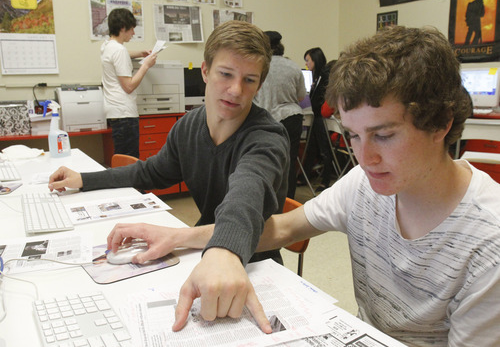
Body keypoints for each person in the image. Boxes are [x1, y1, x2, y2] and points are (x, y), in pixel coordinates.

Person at [150, 26, 500, 345]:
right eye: (353, 136)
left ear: (439, 124)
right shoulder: (363, 185)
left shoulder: (488, 245)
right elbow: (283, 228)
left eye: (384, 135)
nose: (365, 158)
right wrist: (182, 239)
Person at [48, 20, 289, 333]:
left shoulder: (267, 137)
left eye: (249, 80)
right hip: (204, 256)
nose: (235, 90)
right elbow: (149, 172)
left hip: (252, 265)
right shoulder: (189, 127)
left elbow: (245, 196)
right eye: (226, 74)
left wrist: (223, 252)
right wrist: (85, 178)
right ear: (205, 71)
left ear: (259, 85)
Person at [253, 30, 306, 198]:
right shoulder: (293, 66)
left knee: (265, 160)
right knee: (289, 162)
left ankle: (266, 198)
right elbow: (301, 96)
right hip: (292, 118)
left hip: (267, 119)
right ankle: (287, 200)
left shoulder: (259, 66)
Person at [101, 8, 157, 158]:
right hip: (124, 112)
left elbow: (118, 54)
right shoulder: (119, 51)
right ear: (122, 28)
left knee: (121, 157)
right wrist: (146, 65)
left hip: (115, 111)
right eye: (131, 29)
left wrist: (139, 53)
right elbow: (129, 86)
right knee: (129, 160)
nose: (133, 33)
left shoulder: (107, 46)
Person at [299, 49, 335, 192]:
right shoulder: (316, 76)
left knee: (324, 149)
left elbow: (323, 97)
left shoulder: (325, 75)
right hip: (316, 115)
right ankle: (304, 176)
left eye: (308, 60)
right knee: (312, 148)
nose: (306, 64)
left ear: (315, 60)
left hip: (321, 117)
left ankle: (326, 180)